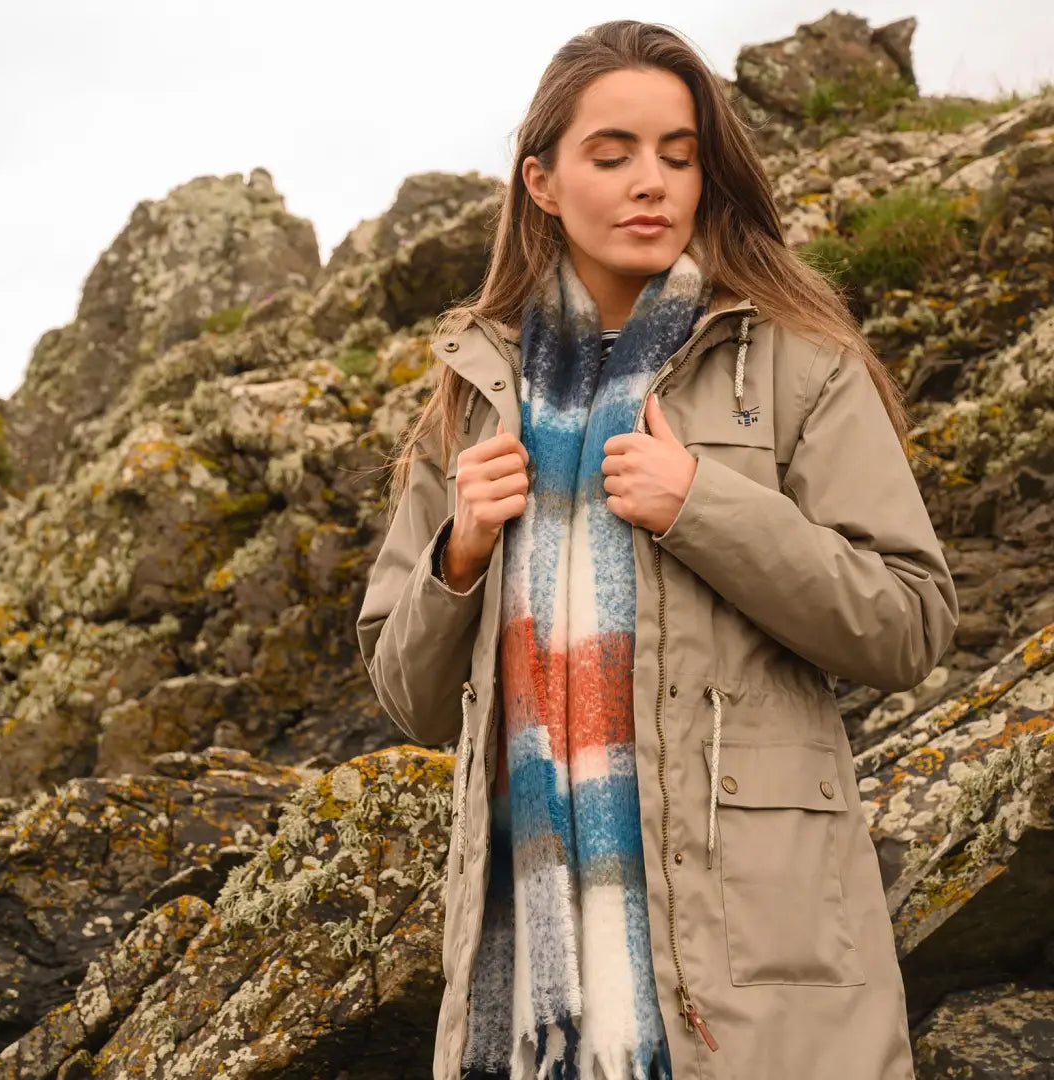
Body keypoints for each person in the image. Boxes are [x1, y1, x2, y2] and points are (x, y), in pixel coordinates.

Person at [356, 18, 958, 1080]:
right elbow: (406, 693)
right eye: (614, 154)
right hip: (534, 1003)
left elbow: (907, 619)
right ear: (541, 182)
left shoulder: (795, 362)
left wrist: (701, 506)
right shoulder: (473, 392)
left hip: (756, 967)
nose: (654, 184)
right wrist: (460, 551)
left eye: (679, 157)